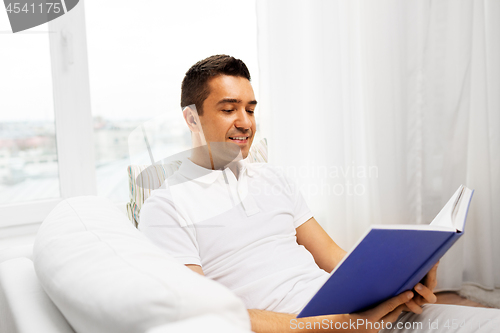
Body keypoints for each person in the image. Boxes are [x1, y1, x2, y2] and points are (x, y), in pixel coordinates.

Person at [139, 55, 500, 332]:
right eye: (229, 109)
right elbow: (206, 315)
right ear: (191, 118)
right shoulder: (167, 207)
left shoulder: (272, 178)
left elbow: (335, 258)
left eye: (250, 109)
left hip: (357, 316)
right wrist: (333, 324)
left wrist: (400, 280)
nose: (246, 122)